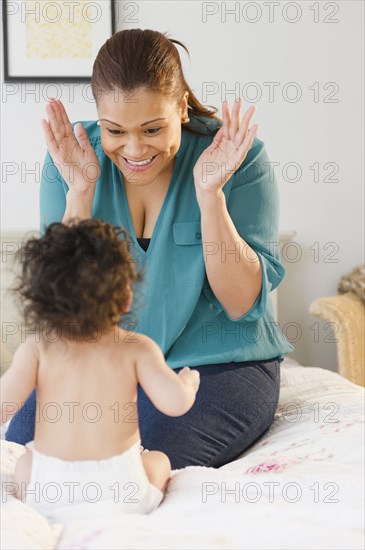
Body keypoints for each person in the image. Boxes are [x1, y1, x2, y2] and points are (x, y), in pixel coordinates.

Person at [5, 28, 294, 469]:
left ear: (180, 107)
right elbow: (63, 305)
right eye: (115, 130)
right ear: (98, 118)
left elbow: (239, 304)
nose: (135, 148)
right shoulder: (72, 156)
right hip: (99, 357)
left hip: (214, 363)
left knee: (143, 460)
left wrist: (210, 195)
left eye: (153, 128)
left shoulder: (237, 156)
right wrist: (80, 192)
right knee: (30, 450)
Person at [0, 219, 200, 522]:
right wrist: (186, 383)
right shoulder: (137, 348)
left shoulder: (37, 349)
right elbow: (174, 404)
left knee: (24, 465)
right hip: (121, 489)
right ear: (125, 298)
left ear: (40, 302)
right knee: (158, 461)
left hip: (50, 490)